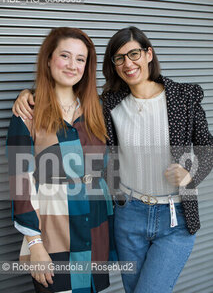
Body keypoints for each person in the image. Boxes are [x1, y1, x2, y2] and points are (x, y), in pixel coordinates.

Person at [12, 26, 213, 293]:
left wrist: (191, 175)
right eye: (119, 58)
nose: (128, 63)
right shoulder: (95, 106)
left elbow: (207, 148)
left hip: (149, 223)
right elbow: (21, 180)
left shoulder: (175, 98)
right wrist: (27, 95)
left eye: (134, 54)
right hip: (95, 225)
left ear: (148, 54)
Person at [7, 27, 117, 293]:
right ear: (48, 59)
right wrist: (35, 245)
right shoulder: (28, 113)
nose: (72, 65)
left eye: (80, 59)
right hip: (52, 230)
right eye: (65, 56)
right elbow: (20, 185)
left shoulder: (97, 109)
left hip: (96, 223)